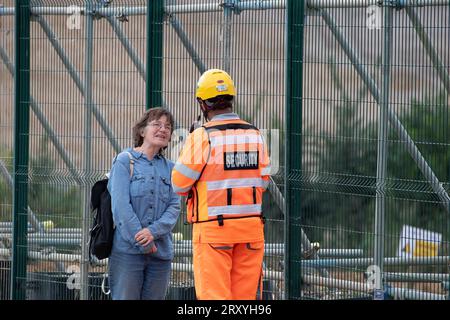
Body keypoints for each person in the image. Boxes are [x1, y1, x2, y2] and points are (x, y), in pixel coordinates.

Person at [171, 69, 271, 300]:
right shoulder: (256, 135)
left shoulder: (202, 136)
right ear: (230, 100)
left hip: (214, 232)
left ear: (203, 104)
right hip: (250, 231)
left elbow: (178, 183)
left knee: (214, 297)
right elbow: (263, 182)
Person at [107, 107, 180, 300]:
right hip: (128, 253)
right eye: (156, 124)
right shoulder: (124, 161)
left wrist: (152, 232)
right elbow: (120, 208)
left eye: (168, 127)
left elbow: (174, 207)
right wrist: (143, 242)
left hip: (160, 255)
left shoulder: (172, 169)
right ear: (141, 131)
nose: (163, 129)